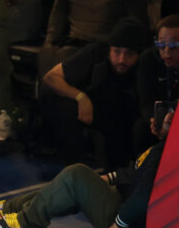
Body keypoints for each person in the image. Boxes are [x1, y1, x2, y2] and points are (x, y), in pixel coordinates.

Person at [0, 107, 174, 228]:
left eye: (167, 119)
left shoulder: (165, 152)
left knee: (76, 175)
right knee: (73, 183)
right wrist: (108, 178)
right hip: (126, 207)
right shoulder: (166, 147)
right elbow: (135, 173)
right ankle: (10, 208)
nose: (156, 120)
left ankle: (28, 223)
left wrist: (121, 221)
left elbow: (145, 194)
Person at [41, 16, 148, 170]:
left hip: (125, 117)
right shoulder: (96, 53)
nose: (121, 59)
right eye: (116, 52)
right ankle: (73, 167)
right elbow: (51, 77)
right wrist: (81, 97)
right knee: (65, 106)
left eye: (129, 54)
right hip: (93, 110)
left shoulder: (145, 64)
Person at [135, 13, 179, 148]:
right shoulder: (149, 59)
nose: (166, 51)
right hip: (158, 118)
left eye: (173, 45)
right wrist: (155, 121)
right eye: (161, 44)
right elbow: (145, 101)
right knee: (141, 129)